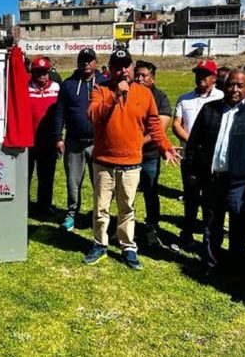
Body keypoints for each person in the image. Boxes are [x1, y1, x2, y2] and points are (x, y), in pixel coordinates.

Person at [84, 48, 180, 270]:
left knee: (127, 207)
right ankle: (100, 244)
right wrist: (116, 95)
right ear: (111, 69)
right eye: (117, 66)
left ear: (131, 68)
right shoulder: (100, 89)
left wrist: (165, 147)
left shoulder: (144, 94)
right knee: (101, 207)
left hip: (131, 163)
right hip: (104, 162)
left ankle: (128, 247)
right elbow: (93, 116)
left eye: (126, 65)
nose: (122, 70)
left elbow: (155, 125)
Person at [184, 69, 245, 275]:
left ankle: (234, 268)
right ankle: (210, 264)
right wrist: (193, 170)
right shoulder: (209, 110)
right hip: (213, 180)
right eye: (231, 84)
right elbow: (194, 144)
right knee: (211, 225)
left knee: (238, 227)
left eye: (239, 86)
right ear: (223, 85)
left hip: (239, 183)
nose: (234, 89)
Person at [172, 60, 223, 251]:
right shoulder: (184, 98)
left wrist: (205, 146)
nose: (201, 77)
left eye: (205, 74)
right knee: (190, 198)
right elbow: (177, 125)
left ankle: (209, 241)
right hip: (190, 157)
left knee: (210, 202)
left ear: (214, 77)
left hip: (212, 159)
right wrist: (195, 143)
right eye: (198, 73)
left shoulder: (222, 98)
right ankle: (187, 235)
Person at [54, 48, 107, 231]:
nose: (86, 63)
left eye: (89, 60)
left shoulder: (104, 82)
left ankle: (98, 215)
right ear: (78, 63)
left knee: (100, 182)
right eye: (83, 60)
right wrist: (58, 137)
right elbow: (60, 111)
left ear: (95, 62)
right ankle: (71, 214)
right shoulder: (68, 84)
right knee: (73, 182)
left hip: (98, 142)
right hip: (74, 142)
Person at [134, 60, 172, 246]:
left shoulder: (161, 97)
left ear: (153, 78)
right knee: (127, 192)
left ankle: (152, 227)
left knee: (150, 191)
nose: (139, 78)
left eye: (144, 75)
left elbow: (161, 128)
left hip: (149, 155)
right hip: (129, 156)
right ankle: (126, 226)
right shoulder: (130, 92)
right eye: (137, 74)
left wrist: (135, 143)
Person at [28, 56, 60, 215]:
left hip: (48, 141)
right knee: (25, 175)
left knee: (46, 176)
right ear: (32, 72)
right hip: (28, 140)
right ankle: (24, 205)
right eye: (38, 72)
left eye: (44, 72)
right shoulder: (25, 88)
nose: (42, 75)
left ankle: (44, 205)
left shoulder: (56, 88)